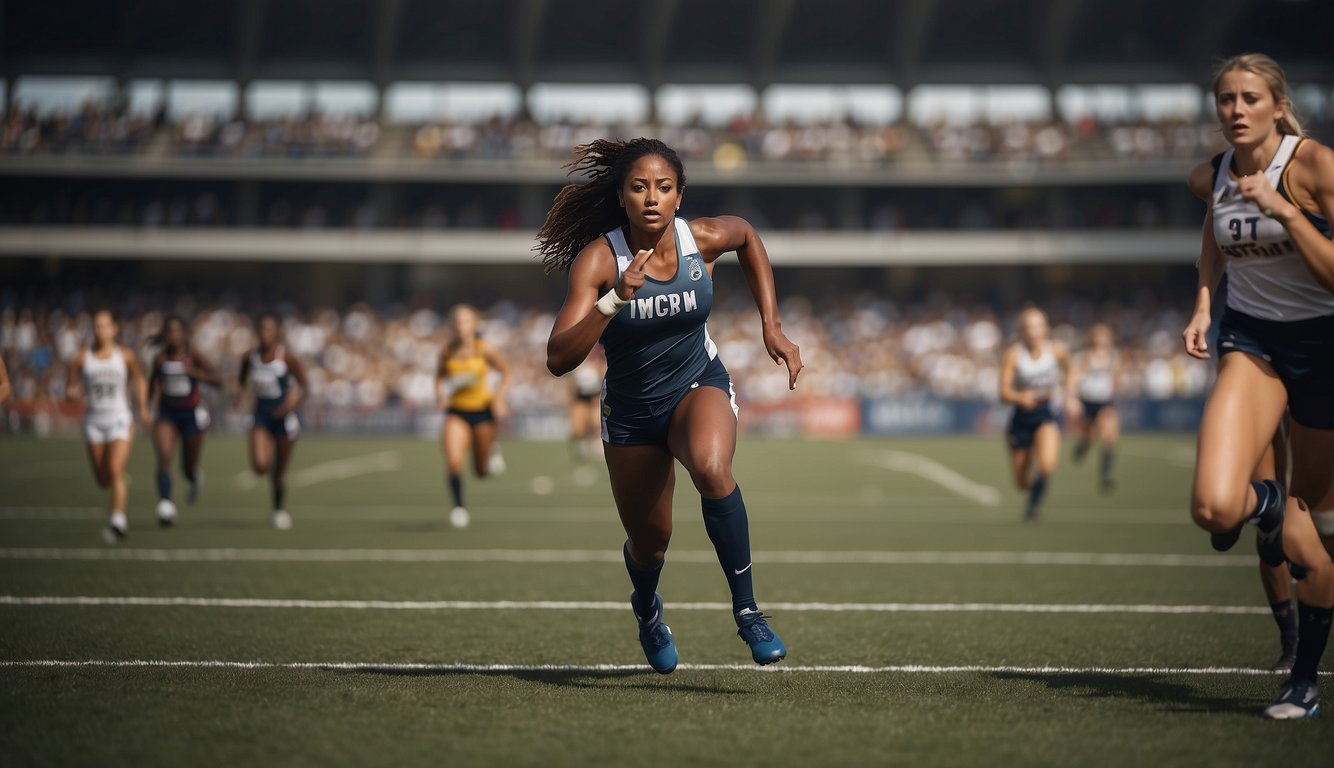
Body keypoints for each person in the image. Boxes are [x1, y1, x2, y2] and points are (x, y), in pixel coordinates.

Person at [540, 137, 803, 673]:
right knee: (651, 543)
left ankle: (749, 611)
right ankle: (647, 611)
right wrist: (614, 300)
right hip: (632, 414)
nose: (651, 198)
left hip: (695, 384)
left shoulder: (700, 239)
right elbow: (558, 357)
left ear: (680, 195)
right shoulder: (599, 260)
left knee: (712, 469)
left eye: (663, 187)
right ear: (621, 197)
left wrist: (771, 325)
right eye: (638, 188)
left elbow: (747, 236)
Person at [1181, 52, 1334, 719]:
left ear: (1277, 104)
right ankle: (1271, 508)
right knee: (1216, 508)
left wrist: (1286, 212)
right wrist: (1204, 303)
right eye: (1224, 99)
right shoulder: (1211, 173)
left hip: (1323, 347)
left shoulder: (1316, 167)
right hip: (1253, 341)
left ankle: (1303, 678)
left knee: (1321, 543)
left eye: (1248, 98)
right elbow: (1213, 231)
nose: (1235, 110)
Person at [65, 310, 150, 543]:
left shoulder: (125, 356)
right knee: (103, 479)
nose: (100, 330)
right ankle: (119, 481)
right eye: (96, 326)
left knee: (114, 469)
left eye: (104, 326)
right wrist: (72, 393)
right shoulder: (82, 358)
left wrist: (143, 407)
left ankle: (118, 520)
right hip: (94, 421)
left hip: (119, 419)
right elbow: (70, 386)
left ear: (114, 329)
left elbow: (140, 379)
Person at [435, 304, 511, 529]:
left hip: (483, 413)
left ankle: (491, 449)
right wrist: (440, 393)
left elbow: (506, 371)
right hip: (457, 412)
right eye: (457, 322)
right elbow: (440, 376)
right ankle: (458, 507)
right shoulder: (447, 351)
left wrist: (498, 398)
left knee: (480, 471)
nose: (461, 326)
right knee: (453, 462)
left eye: (466, 321)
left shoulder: (484, 349)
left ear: (474, 324)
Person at [998, 306, 1073, 522]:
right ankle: (1031, 487)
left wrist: (1069, 394)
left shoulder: (1057, 350)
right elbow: (1003, 392)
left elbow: (1071, 370)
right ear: (1022, 330)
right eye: (1029, 326)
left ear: (1046, 328)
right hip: (1021, 418)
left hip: (1046, 413)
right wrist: (1020, 397)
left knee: (1047, 466)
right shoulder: (1014, 354)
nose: (1034, 331)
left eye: (1038, 325)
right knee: (1021, 482)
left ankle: (1032, 509)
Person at [147, 315, 222, 526]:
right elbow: (153, 383)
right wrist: (148, 407)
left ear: (184, 334)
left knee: (187, 467)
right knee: (164, 456)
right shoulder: (160, 359)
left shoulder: (193, 355)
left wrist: (195, 373)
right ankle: (165, 503)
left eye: (177, 331)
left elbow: (218, 379)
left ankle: (193, 478)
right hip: (166, 414)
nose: (173, 336)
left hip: (191, 414)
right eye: (169, 332)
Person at [236, 313, 307, 530]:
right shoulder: (250, 357)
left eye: (270, 329)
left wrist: (289, 404)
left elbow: (304, 386)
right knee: (260, 465)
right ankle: (275, 500)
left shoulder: (287, 359)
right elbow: (242, 380)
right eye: (262, 329)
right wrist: (239, 398)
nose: (265, 334)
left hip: (284, 419)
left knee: (278, 473)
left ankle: (278, 510)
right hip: (261, 416)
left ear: (277, 332)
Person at [1070, 322, 1119, 492]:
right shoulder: (1083, 356)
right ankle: (1082, 447)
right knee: (1088, 437)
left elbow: (1115, 378)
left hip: (1105, 401)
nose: (1102, 339)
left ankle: (1106, 476)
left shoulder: (1113, 355)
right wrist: (1072, 397)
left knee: (1109, 437)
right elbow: (1074, 377)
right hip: (1087, 400)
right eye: (1099, 335)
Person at [567, 353, 605, 464]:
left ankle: (596, 444)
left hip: (595, 397)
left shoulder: (600, 364)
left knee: (596, 422)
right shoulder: (579, 365)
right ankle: (582, 445)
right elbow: (573, 385)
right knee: (578, 428)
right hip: (581, 398)